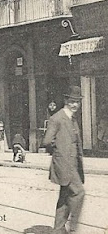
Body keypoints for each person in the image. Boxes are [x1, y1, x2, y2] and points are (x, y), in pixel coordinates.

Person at [43, 85, 85, 234]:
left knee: (65, 196)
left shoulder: (73, 119)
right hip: (64, 163)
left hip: (74, 163)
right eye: (72, 101)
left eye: (77, 102)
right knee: (79, 192)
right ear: (66, 100)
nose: (75, 105)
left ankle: (58, 230)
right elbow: (47, 141)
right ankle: (73, 228)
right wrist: (60, 151)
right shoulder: (57, 118)